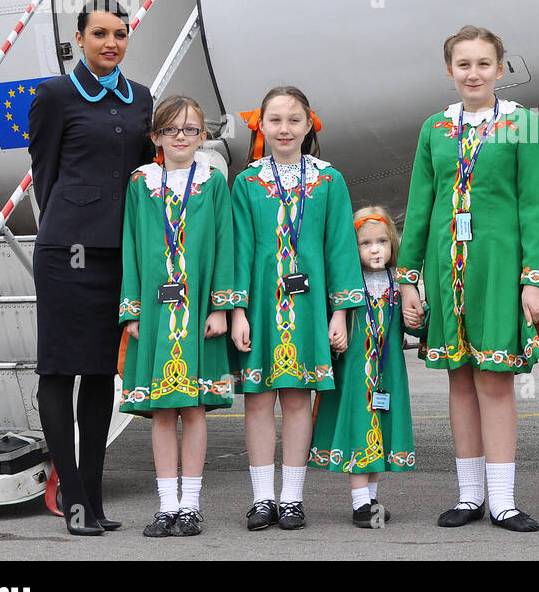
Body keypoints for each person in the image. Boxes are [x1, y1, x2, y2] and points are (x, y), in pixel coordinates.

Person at [396, 25, 539, 532]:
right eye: (464, 64)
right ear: (450, 70)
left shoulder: (523, 124)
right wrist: (408, 278)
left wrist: (533, 277)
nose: (474, 73)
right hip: (445, 268)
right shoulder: (433, 129)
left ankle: (503, 500)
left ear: (500, 69)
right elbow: (421, 207)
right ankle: (469, 496)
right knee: (459, 381)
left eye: (484, 63)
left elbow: (534, 205)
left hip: (499, 267)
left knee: (496, 381)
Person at [28, 0, 153, 535]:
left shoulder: (142, 99)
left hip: (118, 255)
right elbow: (45, 174)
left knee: (102, 376)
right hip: (66, 253)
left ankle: (96, 501)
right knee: (60, 371)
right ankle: (72, 497)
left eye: (120, 34)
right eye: (99, 33)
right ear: (79, 39)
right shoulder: (56, 95)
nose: (110, 43)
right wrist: (72, 225)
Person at [229, 86, 364, 531]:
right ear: (261, 126)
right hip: (262, 308)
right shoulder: (247, 181)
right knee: (258, 400)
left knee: (298, 400)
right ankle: (262, 497)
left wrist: (339, 312)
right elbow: (240, 250)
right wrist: (237, 312)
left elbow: (341, 248)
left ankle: (292, 498)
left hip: (309, 308)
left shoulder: (330, 179)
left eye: (293, 120)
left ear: (309, 126)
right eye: (275, 120)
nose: (284, 129)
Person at [118, 94, 237, 537]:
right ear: (156, 137)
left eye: (190, 129)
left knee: (195, 407)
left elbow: (225, 243)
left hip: (199, 308)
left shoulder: (212, 182)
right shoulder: (140, 183)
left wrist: (222, 307)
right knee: (163, 410)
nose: (181, 137)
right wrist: (131, 310)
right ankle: (166, 504)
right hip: (154, 309)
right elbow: (130, 246)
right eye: (171, 129)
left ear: (202, 135)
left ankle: (191, 504)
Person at [309, 206, 415, 528]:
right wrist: (335, 333)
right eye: (365, 243)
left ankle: (371, 499)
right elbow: (332, 323)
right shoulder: (347, 283)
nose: (375, 249)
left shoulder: (397, 283)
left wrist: (418, 318)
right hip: (356, 375)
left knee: (379, 433)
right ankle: (359, 503)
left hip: (387, 375)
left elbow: (412, 327)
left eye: (382, 241)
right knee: (359, 430)